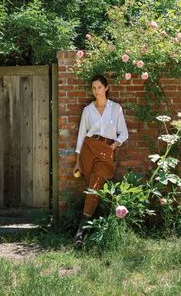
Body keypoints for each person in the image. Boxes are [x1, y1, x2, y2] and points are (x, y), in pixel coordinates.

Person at [73, 74, 128, 246]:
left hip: (106, 151)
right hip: (88, 149)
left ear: (106, 88)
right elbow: (82, 135)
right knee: (92, 188)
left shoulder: (116, 108)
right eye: (93, 88)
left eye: (99, 87)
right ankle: (90, 229)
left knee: (95, 184)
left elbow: (124, 133)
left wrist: (114, 145)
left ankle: (80, 232)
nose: (96, 91)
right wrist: (77, 161)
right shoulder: (87, 110)